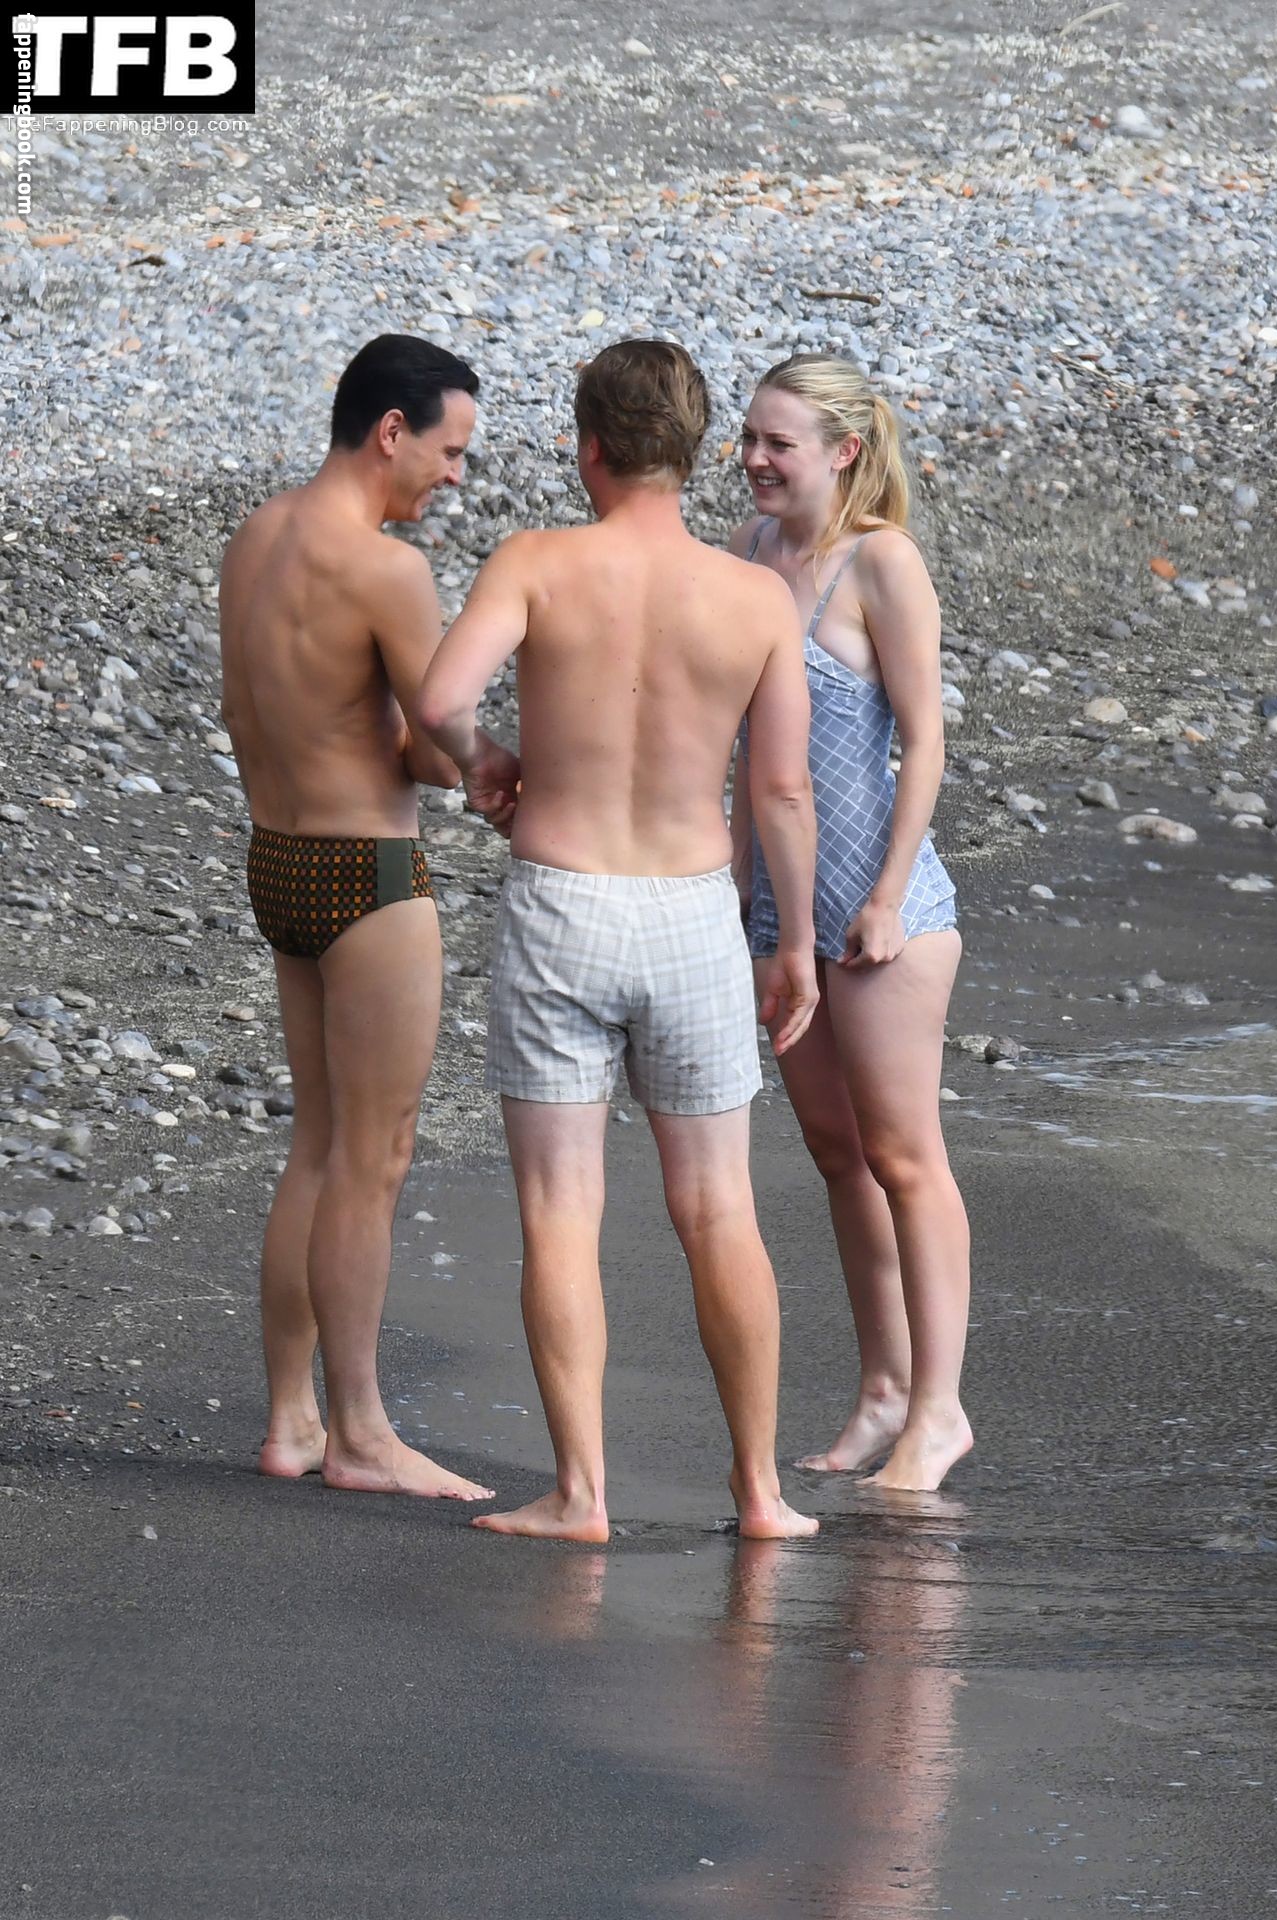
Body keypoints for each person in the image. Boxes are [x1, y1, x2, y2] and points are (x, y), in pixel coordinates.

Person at [419, 338, 821, 1543]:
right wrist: (791, 940)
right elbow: (781, 790)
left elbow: (439, 700)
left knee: (560, 1208)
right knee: (719, 1208)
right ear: (694, 454)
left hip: (564, 900)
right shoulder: (754, 597)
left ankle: (581, 1494)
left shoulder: (536, 563)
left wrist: (484, 763)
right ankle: (759, 1492)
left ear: (586, 445)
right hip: (692, 910)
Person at [218, 333, 496, 1502]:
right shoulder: (386, 570)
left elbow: (274, 709)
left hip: (278, 860)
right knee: (372, 1161)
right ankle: (364, 1433)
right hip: (366, 875)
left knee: (317, 1145)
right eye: (450, 451)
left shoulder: (257, 536)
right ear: (391, 432)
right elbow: (435, 743)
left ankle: (293, 1419)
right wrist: (489, 762)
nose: (455, 476)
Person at [731, 353, 972, 1494]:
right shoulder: (749, 552)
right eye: (746, 438)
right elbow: (749, 752)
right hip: (782, 910)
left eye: (776, 443)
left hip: (887, 913)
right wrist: (738, 889)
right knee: (837, 1154)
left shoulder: (882, 561)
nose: (752, 459)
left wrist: (882, 896)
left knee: (904, 1157)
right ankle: (883, 1389)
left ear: (842, 450)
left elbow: (923, 740)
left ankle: (939, 1410)